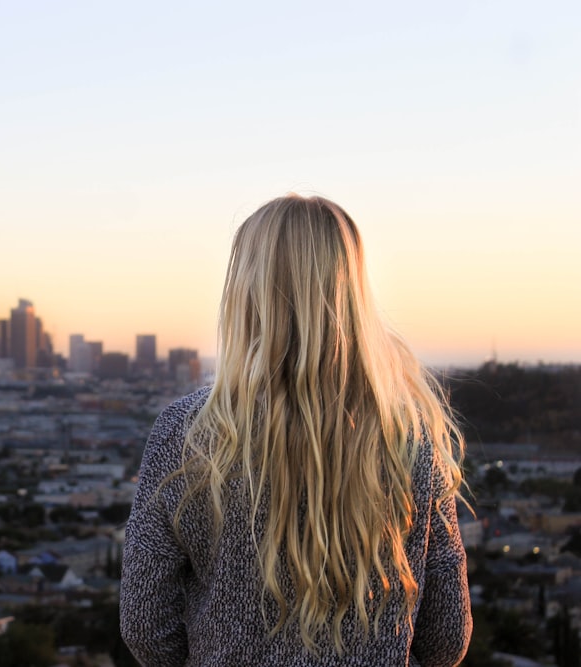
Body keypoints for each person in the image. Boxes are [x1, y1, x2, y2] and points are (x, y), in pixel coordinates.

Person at [120, 194, 471, 666]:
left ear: (245, 290)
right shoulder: (406, 434)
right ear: (352, 293)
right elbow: (447, 637)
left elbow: (145, 627)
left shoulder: (185, 433)